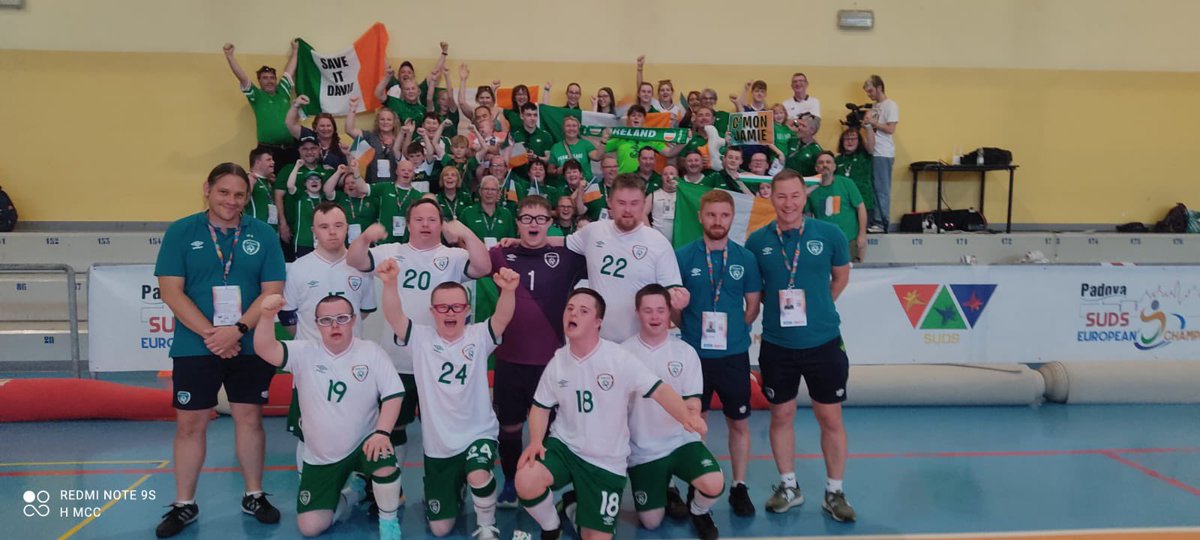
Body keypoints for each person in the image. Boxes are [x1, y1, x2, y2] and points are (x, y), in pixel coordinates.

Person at [153, 163, 286, 538]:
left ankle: (254, 494)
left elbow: (272, 290)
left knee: (249, 419)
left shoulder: (262, 234)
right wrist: (214, 334)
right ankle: (184, 504)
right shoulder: (181, 231)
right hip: (196, 344)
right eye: (223, 192)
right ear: (207, 190)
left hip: (249, 344)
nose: (231, 201)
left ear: (247, 198)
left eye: (239, 194)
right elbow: (170, 291)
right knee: (190, 425)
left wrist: (239, 330)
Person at [514, 288, 707, 540]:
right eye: (570, 308)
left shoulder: (619, 359)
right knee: (526, 479)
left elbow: (659, 390)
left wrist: (686, 416)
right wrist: (537, 441)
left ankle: (573, 507)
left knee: (596, 537)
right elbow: (540, 406)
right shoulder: (558, 361)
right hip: (565, 448)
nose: (573, 314)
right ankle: (551, 528)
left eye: (583, 311)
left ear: (598, 322)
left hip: (606, 462)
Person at [377, 259, 519, 540]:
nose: (450, 312)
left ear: (467, 310)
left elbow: (502, 318)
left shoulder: (479, 336)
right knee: (440, 529)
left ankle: (486, 523)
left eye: (457, 306)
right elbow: (394, 317)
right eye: (443, 307)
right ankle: (458, 487)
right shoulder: (421, 338)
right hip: (439, 445)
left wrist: (509, 291)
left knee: (479, 473)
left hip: (478, 433)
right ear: (433, 311)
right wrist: (391, 284)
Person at [347, 200, 492, 473]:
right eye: (419, 219)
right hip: (397, 359)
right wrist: (366, 237)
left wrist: (466, 234)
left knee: (442, 429)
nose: (426, 225)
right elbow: (354, 260)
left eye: (432, 219)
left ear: (441, 224)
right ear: (408, 223)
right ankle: (392, 484)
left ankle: (447, 486)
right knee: (394, 425)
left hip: (438, 363)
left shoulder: (453, 256)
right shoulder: (392, 252)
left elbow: (484, 267)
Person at [745, 169, 856, 522]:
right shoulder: (757, 241)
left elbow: (840, 277)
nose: (788, 203)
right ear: (771, 199)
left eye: (795, 195)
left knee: (830, 417)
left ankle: (834, 491)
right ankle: (788, 486)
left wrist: (821, 308)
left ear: (804, 197)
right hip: (778, 345)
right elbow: (756, 291)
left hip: (824, 342)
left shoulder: (830, 234)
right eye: (781, 196)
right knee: (781, 415)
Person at [253, 294, 404, 539]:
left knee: (384, 454)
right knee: (310, 527)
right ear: (317, 324)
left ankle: (389, 523)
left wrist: (382, 432)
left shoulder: (370, 352)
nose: (334, 325)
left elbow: (393, 394)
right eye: (326, 320)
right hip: (321, 457)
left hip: (363, 444)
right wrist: (267, 316)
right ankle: (352, 494)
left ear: (353, 320)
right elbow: (264, 348)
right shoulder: (303, 352)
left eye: (342, 318)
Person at [486, 195, 587, 508]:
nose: (533, 224)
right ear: (517, 222)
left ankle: (547, 480)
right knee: (510, 426)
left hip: (553, 363)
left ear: (550, 223)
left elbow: (601, 250)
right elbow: (473, 260)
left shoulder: (569, 257)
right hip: (510, 361)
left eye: (540, 218)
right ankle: (511, 483)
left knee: (556, 428)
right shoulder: (500, 253)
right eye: (526, 218)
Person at [674, 189, 762, 517]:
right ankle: (698, 483)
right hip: (694, 357)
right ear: (700, 216)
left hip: (734, 355)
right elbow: (675, 308)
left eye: (724, 215)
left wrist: (736, 333)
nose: (717, 221)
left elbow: (752, 307)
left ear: (731, 218)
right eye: (711, 215)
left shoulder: (745, 258)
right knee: (695, 423)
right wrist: (692, 331)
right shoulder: (683, 256)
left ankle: (739, 486)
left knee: (738, 422)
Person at [624, 285, 723, 539]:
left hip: (681, 443)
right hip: (643, 451)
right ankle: (665, 487)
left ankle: (699, 511)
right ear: (637, 312)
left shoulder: (685, 352)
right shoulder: (622, 354)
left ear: (670, 312)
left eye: (660, 310)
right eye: (648, 310)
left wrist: (693, 418)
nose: (655, 317)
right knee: (651, 523)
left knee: (713, 483)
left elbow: (693, 401)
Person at [563, 175, 687, 343]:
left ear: (643, 204)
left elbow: (671, 296)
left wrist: (678, 302)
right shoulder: (593, 231)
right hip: (597, 342)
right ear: (609, 202)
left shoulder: (658, 243)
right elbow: (560, 242)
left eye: (634, 203)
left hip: (640, 345)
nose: (628, 210)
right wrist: (516, 241)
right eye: (621, 203)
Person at [224, 42, 298, 172]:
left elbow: (289, 71)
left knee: (289, 185)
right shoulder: (256, 96)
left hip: (290, 149)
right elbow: (242, 77)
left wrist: (295, 50)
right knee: (269, 186)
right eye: (265, 78)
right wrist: (230, 56)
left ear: (276, 80)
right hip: (267, 151)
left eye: (272, 78)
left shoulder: (283, 91)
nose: (269, 81)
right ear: (259, 81)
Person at [275, 133, 333, 260]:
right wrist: (282, 224)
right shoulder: (288, 169)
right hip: (293, 230)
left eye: (313, 148)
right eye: (305, 149)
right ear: (299, 151)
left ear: (319, 150)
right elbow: (278, 196)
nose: (309, 152)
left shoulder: (326, 171)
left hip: (320, 233)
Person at [806, 152, 868, 261]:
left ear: (834, 167)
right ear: (816, 168)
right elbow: (807, 216)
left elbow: (861, 208)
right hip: (824, 242)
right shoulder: (810, 189)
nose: (824, 165)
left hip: (848, 240)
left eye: (828, 162)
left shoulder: (847, 183)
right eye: (821, 162)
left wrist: (862, 235)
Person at [862, 74, 899, 233]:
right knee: (874, 187)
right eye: (867, 92)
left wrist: (873, 122)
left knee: (882, 189)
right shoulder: (874, 107)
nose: (869, 94)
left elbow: (891, 129)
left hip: (883, 152)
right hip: (873, 150)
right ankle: (874, 220)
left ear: (879, 87)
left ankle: (882, 222)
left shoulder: (891, 105)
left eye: (871, 91)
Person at [345, 96, 403, 184]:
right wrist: (352, 109)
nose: (385, 122)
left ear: (394, 122)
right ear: (377, 122)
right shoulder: (370, 137)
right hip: (372, 186)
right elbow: (349, 130)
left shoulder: (401, 139)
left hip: (394, 187)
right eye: (382, 119)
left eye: (389, 120)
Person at [601, 105, 667, 174]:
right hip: (623, 180)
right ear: (628, 119)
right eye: (633, 115)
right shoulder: (621, 136)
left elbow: (668, 153)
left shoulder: (651, 137)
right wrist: (603, 140)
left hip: (643, 179)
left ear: (644, 119)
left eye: (639, 116)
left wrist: (679, 141)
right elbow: (601, 150)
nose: (636, 117)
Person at [286, 100, 348, 168]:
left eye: (328, 125)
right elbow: (290, 123)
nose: (325, 129)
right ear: (315, 128)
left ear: (334, 128)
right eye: (322, 126)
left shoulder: (339, 147)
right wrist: (296, 105)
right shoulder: (308, 135)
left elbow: (346, 170)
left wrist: (348, 154)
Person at [460, 175, 518, 247]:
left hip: (500, 256)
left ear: (498, 193)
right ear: (480, 192)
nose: (489, 192)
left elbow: (511, 240)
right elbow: (460, 240)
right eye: (486, 189)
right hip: (475, 256)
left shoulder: (506, 214)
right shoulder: (467, 213)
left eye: (493, 189)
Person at [835, 127, 876, 225]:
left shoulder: (865, 156)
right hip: (843, 204)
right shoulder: (837, 160)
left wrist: (868, 126)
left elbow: (871, 147)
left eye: (853, 139)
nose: (850, 141)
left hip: (863, 201)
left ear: (859, 141)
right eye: (846, 139)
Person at [643, 165, 678, 244]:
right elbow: (642, 213)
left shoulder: (682, 196)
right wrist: (650, 232)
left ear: (677, 177)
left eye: (672, 174)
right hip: (658, 240)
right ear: (661, 177)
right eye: (665, 174)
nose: (669, 176)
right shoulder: (653, 195)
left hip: (679, 240)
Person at [246, 147, 278, 229]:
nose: (273, 162)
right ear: (257, 162)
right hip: (255, 228)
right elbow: (243, 202)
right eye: (268, 160)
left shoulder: (267, 181)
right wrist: (250, 185)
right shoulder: (249, 179)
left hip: (272, 229)